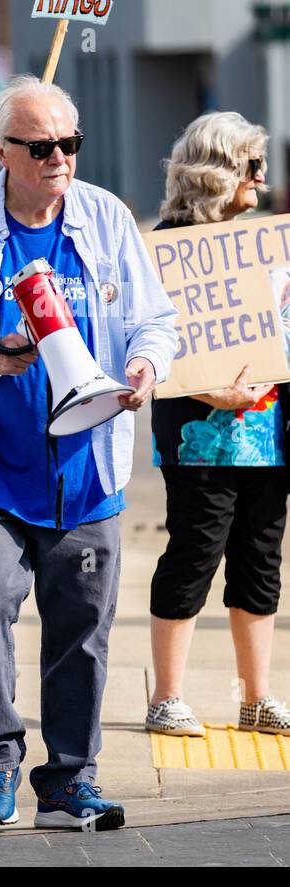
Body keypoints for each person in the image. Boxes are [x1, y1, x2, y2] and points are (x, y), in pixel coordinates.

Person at [0, 76, 178, 830]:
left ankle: (69, 782)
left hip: (87, 472)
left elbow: (157, 322)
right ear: (2, 151)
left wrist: (148, 366)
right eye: (41, 145)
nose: (59, 157)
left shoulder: (107, 217)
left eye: (69, 143)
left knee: (81, 631)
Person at [146, 112, 290, 737]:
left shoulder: (265, 241)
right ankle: (167, 697)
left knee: (260, 560)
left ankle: (256, 697)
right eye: (252, 166)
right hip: (198, 433)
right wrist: (210, 388)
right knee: (194, 554)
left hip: (267, 432)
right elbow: (150, 340)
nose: (262, 176)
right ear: (219, 171)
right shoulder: (168, 246)